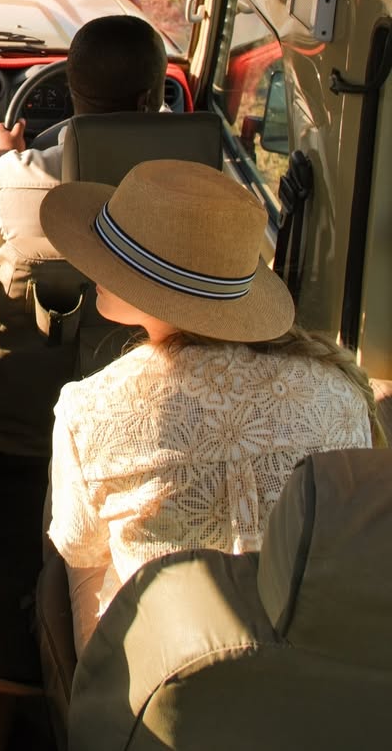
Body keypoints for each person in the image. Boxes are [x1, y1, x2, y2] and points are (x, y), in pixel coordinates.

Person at [39, 157, 381, 654]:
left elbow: (79, 549)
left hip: (172, 684)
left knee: (70, 559)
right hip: (318, 676)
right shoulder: (341, 392)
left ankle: (80, 720)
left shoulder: (88, 411)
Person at [0, 14, 168, 293]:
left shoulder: (13, 181)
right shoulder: (193, 177)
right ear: (148, 99)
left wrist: (3, 158)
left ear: (71, 89)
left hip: (35, 330)